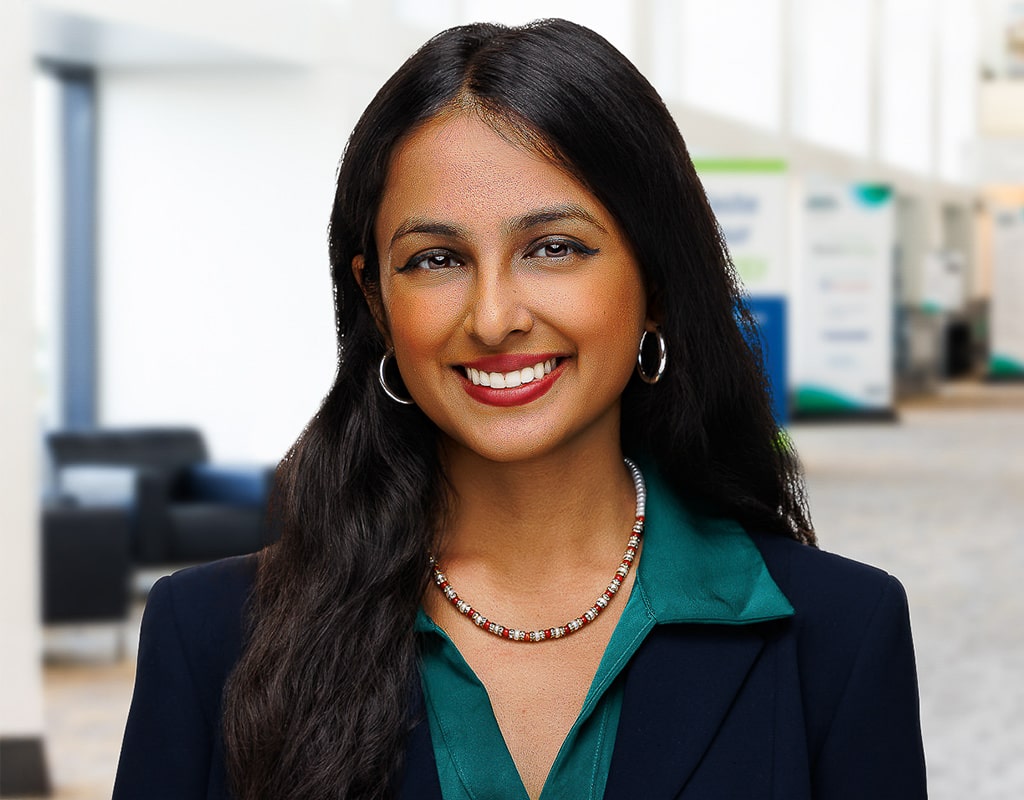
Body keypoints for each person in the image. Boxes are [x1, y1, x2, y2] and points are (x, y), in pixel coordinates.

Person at [113, 18, 927, 800]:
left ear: (656, 283)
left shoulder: (839, 635)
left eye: (554, 248)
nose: (495, 315)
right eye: (436, 260)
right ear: (376, 298)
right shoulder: (212, 636)